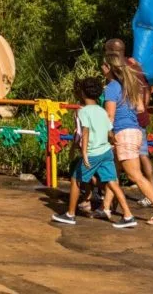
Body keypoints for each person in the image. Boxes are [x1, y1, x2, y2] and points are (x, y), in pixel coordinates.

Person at [52, 76, 137, 228]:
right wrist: (113, 142)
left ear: (83, 93)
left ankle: (70, 214)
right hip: (106, 151)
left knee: (76, 179)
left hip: (93, 152)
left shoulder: (83, 112)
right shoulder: (103, 111)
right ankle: (128, 215)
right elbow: (110, 132)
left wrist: (83, 152)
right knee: (112, 182)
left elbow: (85, 132)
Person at [99, 52, 153, 225]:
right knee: (113, 172)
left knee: (135, 176)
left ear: (108, 68)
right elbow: (140, 108)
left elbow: (109, 116)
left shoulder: (111, 87)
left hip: (122, 132)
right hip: (135, 131)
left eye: (102, 65)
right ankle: (106, 208)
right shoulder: (130, 85)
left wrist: (106, 135)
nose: (101, 69)